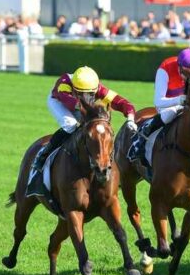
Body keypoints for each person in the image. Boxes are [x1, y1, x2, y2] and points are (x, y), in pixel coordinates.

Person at [27, 66, 137, 195]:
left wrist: (130, 118)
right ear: (74, 88)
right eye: (80, 93)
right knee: (71, 125)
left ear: (95, 89)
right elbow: (67, 100)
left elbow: (122, 102)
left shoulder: (99, 88)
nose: (86, 97)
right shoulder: (64, 82)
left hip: (81, 107)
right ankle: (43, 155)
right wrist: (88, 110)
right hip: (59, 102)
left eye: (90, 94)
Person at [129, 47, 190, 165]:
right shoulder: (165, 69)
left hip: (187, 105)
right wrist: (180, 100)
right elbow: (158, 101)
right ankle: (140, 139)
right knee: (169, 115)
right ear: (179, 67)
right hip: (166, 106)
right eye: (187, 73)